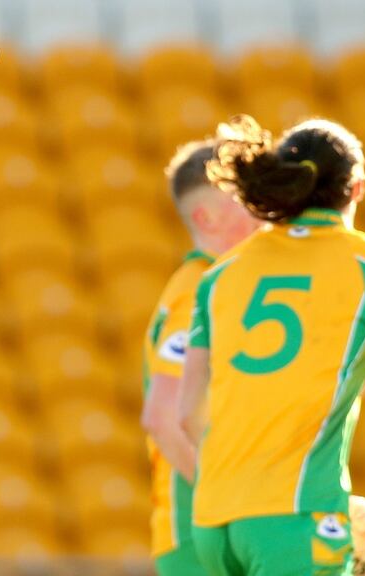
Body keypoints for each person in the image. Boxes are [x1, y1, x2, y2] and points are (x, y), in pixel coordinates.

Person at [179, 115, 365, 576]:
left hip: (212, 522)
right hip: (298, 523)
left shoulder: (221, 274)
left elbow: (188, 414)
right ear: (357, 188)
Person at [141, 139, 259, 575]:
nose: (265, 213)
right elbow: (162, 417)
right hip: (201, 534)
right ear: (205, 217)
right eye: (248, 202)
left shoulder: (222, 286)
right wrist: (230, 503)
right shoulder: (197, 292)